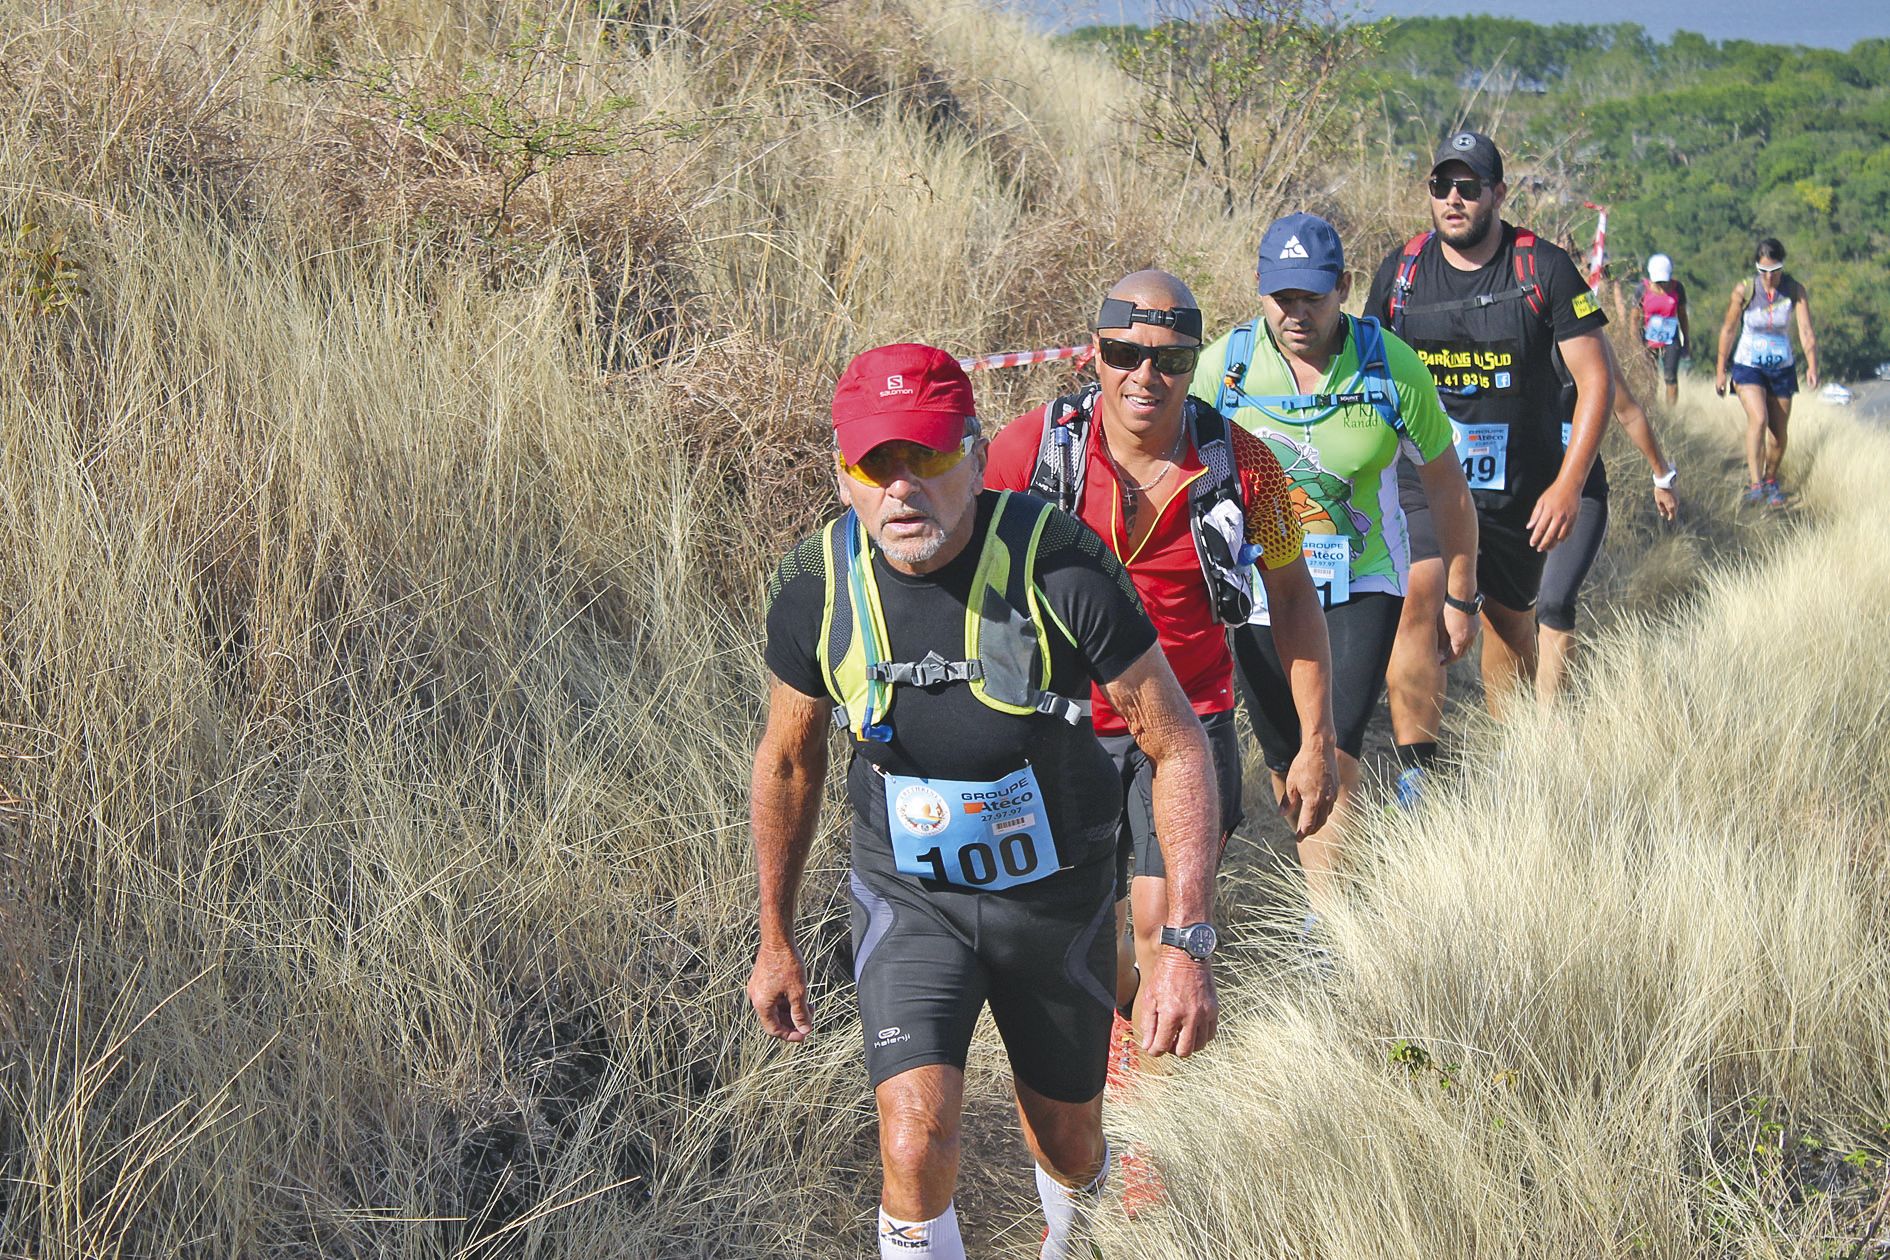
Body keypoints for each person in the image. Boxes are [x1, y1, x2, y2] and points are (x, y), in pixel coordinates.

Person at [747, 342, 1222, 1260]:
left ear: (972, 450)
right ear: (842, 473)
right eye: (871, 464)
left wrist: (1185, 943)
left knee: (1071, 1145)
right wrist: (775, 935)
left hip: (1056, 895)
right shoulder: (815, 584)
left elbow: (1177, 744)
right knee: (914, 1139)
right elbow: (789, 763)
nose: (899, 488)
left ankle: (1067, 1238)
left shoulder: (1062, 564)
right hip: (909, 895)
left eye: (924, 457)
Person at [984, 272, 1333, 1048]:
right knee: (1095, 944)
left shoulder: (1245, 465)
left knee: (1162, 931)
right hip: (1065, 723)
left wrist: (1314, 738)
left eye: (1172, 361)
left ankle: (1153, 1146)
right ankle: (1109, 1078)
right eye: (1124, 354)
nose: (1147, 377)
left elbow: (1296, 600)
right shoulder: (1031, 453)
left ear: (1195, 363)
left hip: (1191, 726)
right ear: (1094, 356)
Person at [1192, 213, 1478, 904]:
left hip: (1362, 582)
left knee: (1333, 750)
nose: (1297, 314)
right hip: (1260, 596)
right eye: (1282, 297)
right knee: (1288, 758)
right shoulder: (1224, 369)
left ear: (1344, 288)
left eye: (1313, 297)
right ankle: (1326, 881)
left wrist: (1461, 595)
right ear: (1259, 289)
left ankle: (1330, 925)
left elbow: (1447, 489)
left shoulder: (1387, 365)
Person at [1366, 130, 1614, 762]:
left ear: (1497, 195)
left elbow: (1597, 382)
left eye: (1469, 187)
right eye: (1441, 186)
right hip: (1427, 482)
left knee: (1510, 631)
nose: (1453, 199)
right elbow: (1367, 377)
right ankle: (1417, 779)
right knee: (1420, 601)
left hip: (1520, 493)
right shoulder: (1402, 272)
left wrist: (1567, 485)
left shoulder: (1544, 267)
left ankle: (1517, 762)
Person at [1716, 237, 1818, 507]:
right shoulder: (1745, 290)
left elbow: (1806, 330)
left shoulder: (1794, 290)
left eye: (1774, 271)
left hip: (1781, 368)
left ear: (1783, 267)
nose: (1769, 278)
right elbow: (1728, 329)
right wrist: (1720, 370)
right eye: (1763, 272)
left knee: (1778, 434)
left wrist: (1812, 365)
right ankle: (1755, 484)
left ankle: (1771, 480)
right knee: (1758, 418)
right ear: (1756, 269)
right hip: (1748, 365)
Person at [1638, 253, 1690, 407]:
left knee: (1670, 377)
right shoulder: (1642, 289)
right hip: (1647, 338)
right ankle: (1651, 410)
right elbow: (1634, 319)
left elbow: (1682, 315)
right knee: (1650, 378)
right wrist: (1635, 344)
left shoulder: (1678, 288)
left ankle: (1671, 412)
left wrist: (1686, 341)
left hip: (1670, 338)